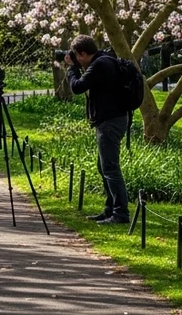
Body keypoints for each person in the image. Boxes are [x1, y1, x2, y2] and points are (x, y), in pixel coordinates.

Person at [65, 34, 130, 225]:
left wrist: (71, 69)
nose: (76, 60)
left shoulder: (100, 65)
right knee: (104, 167)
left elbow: (77, 87)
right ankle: (110, 209)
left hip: (110, 122)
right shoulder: (106, 59)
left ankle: (121, 213)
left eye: (76, 56)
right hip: (112, 120)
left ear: (82, 54)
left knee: (110, 167)